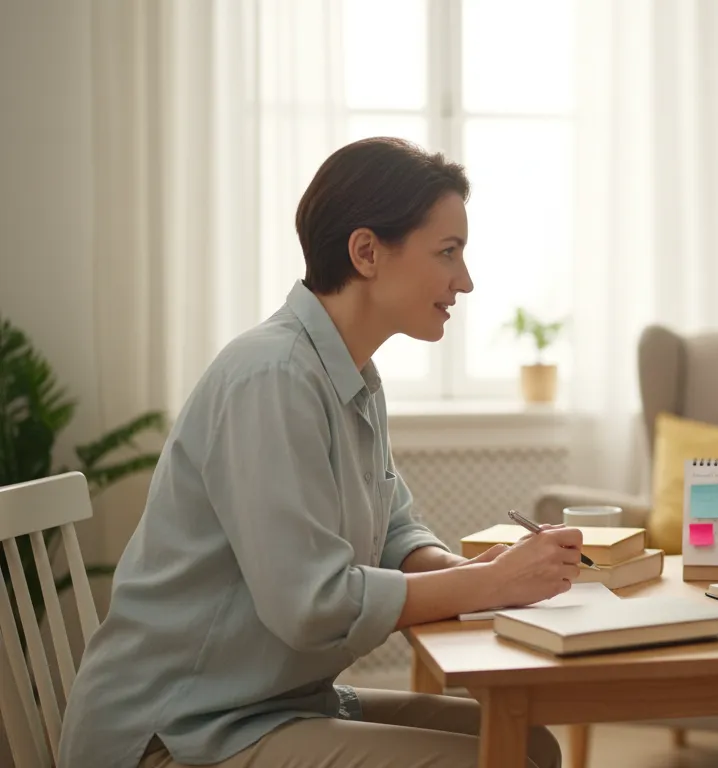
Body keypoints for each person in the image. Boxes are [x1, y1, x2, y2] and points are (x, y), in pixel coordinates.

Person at [59, 137, 575, 768]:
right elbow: (312, 605)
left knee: (531, 745)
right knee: (501, 762)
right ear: (366, 252)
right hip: (174, 731)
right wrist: (484, 582)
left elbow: (394, 531)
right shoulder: (271, 376)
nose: (464, 281)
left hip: (266, 704)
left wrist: (479, 573)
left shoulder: (352, 377)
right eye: (448, 252)